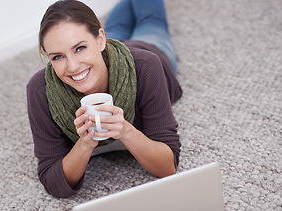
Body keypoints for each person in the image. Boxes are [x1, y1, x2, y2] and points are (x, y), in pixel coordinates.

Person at [26, 0, 183, 198]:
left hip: (144, 50)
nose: (73, 66)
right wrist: (84, 143)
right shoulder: (40, 90)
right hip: (102, 58)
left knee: (150, 21)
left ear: (101, 40)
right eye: (57, 57)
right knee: (117, 27)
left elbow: (167, 166)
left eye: (80, 48)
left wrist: (125, 130)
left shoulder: (147, 66)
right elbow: (52, 181)